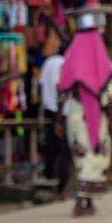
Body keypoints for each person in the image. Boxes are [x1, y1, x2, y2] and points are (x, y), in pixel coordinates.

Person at [58, 19, 112, 217]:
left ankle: (86, 199)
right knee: (95, 156)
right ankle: (83, 200)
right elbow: (108, 97)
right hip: (96, 118)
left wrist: (58, 120)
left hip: (74, 116)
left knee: (82, 157)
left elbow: (62, 91)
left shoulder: (70, 61)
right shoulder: (102, 62)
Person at [39, 48, 71, 196]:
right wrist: (59, 120)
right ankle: (60, 187)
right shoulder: (66, 64)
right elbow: (61, 92)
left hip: (49, 110)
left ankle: (49, 181)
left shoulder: (48, 62)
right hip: (62, 112)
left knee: (51, 148)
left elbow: (41, 85)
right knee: (64, 151)